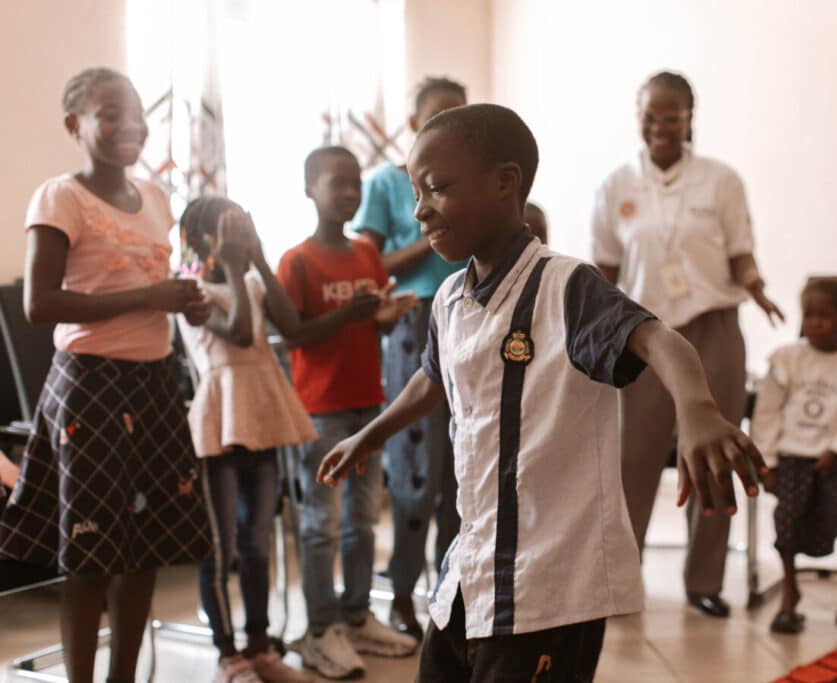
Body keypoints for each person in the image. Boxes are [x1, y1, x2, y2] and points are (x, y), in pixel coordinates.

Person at [316, 103, 766, 682]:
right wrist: (369, 434)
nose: (420, 209)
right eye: (416, 192)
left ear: (505, 183)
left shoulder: (566, 286)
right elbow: (432, 379)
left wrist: (699, 410)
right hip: (469, 573)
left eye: (438, 189)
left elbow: (660, 341)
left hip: (549, 590)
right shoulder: (450, 297)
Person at [0, 67, 212, 683]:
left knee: (146, 547)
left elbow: (159, 292)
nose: (130, 127)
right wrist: (152, 295)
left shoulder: (157, 198)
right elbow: (42, 304)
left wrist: (185, 300)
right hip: (89, 385)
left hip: (153, 382)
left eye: (138, 114)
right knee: (90, 553)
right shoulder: (59, 196)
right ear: (76, 125)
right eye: (110, 115)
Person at [591, 70, 784, 618]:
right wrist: (587, 331)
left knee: (714, 457)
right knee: (633, 460)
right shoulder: (615, 186)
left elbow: (741, 254)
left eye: (670, 115)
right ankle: (619, 582)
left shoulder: (721, 180)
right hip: (640, 336)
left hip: (713, 329)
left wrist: (758, 289)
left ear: (689, 117)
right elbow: (604, 270)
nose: (659, 126)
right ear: (639, 117)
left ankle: (705, 581)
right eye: (649, 115)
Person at [276, 145, 419, 679]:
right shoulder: (297, 261)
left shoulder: (366, 253)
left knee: (363, 519)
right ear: (309, 188)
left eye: (356, 183)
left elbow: (371, 324)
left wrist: (383, 316)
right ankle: (320, 630)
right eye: (337, 182)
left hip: (368, 402)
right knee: (321, 524)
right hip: (320, 410)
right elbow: (293, 334)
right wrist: (349, 313)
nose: (350, 192)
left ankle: (357, 616)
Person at [178, 197, 321, 683]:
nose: (238, 234)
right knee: (220, 546)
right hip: (221, 418)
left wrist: (257, 258)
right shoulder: (190, 290)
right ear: (202, 238)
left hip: (262, 412)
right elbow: (239, 333)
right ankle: (227, 653)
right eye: (229, 228)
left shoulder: (253, 279)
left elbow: (293, 326)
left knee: (258, 540)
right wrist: (237, 269)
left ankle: (260, 646)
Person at [352, 76, 467, 640]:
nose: (447, 126)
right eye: (437, 116)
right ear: (412, 122)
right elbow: (369, 266)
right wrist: (436, 226)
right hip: (412, 322)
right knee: (414, 474)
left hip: (472, 318)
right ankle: (401, 591)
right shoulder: (386, 185)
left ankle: (451, 593)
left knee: (462, 472)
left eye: (459, 116)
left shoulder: (470, 183)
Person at [753, 277, 837, 636]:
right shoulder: (787, 360)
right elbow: (766, 413)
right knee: (786, 524)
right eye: (809, 315)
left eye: (825, 315)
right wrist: (767, 462)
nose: (815, 322)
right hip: (792, 458)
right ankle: (789, 594)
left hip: (835, 458)